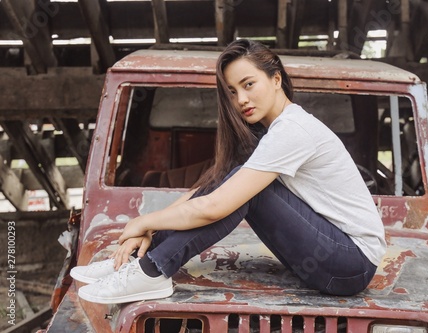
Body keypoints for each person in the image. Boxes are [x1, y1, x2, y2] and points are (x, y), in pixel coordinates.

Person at [71, 39, 387, 304]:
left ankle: (152, 272)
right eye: (233, 92)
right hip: (331, 256)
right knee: (235, 180)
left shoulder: (293, 129)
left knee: (248, 190)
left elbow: (215, 206)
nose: (242, 100)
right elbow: (208, 192)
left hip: (350, 264)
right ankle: (138, 264)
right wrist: (150, 233)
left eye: (249, 85)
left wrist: (142, 221)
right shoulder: (273, 132)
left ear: (276, 79)